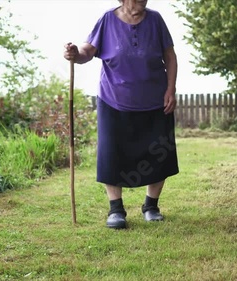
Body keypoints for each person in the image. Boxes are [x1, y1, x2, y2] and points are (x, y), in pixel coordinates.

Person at [63, 0, 179, 229]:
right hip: (113, 99)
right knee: (112, 154)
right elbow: (88, 51)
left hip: (155, 100)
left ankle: (151, 206)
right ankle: (116, 209)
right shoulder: (107, 19)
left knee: (158, 153)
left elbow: (170, 56)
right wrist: (76, 54)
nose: (143, 1)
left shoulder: (155, 20)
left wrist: (171, 88)